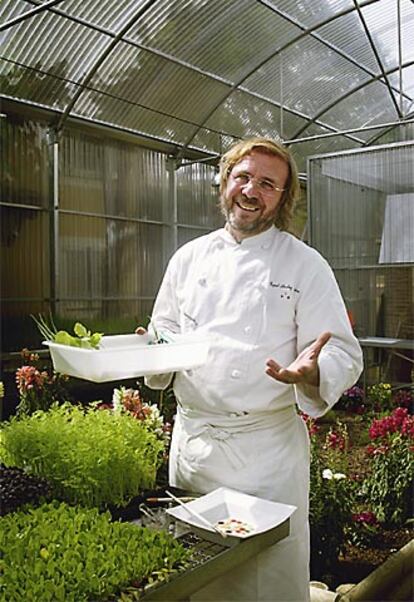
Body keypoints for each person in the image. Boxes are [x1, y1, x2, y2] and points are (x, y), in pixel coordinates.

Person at [139, 137, 363, 601]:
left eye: (267, 184)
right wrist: (148, 348)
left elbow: (343, 352)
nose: (250, 190)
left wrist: (313, 370)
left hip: (266, 458)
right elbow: (163, 332)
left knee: (266, 578)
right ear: (224, 181)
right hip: (196, 450)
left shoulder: (305, 264)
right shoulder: (188, 258)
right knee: (196, 574)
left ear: (283, 198)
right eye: (242, 176)